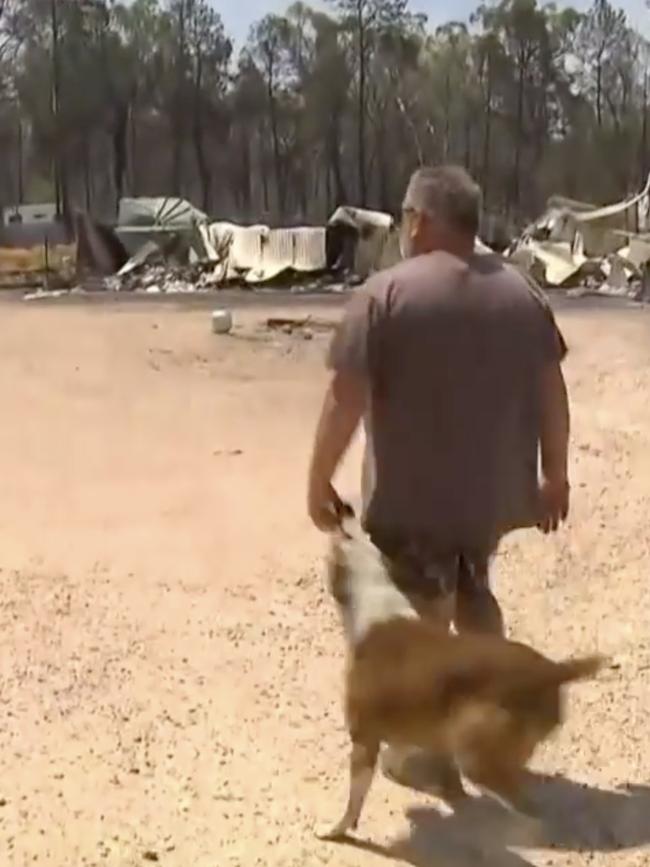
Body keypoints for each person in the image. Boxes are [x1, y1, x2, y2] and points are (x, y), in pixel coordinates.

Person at [307, 165, 570, 790]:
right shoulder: (522, 295)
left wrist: (319, 477)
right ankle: (499, 714)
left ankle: (422, 746)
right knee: (475, 594)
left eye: (404, 217)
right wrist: (555, 476)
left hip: (411, 500)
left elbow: (346, 395)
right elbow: (550, 391)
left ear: (419, 221)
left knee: (422, 616)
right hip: (489, 501)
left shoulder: (386, 295)